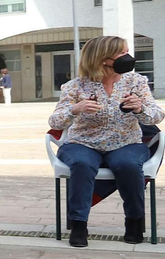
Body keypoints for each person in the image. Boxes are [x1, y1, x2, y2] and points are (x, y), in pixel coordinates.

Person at [47, 36, 163, 246]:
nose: (128, 57)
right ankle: (79, 225)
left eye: (127, 51)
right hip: (82, 143)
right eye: (121, 53)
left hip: (126, 143)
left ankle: (134, 222)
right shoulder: (76, 86)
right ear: (102, 59)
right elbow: (54, 121)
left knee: (127, 164)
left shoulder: (136, 82)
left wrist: (139, 108)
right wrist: (75, 109)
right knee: (82, 164)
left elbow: (156, 115)